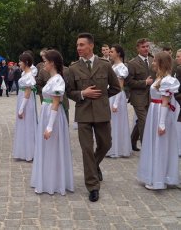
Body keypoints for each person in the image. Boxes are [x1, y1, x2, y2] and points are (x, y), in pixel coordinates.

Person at [67, 33, 120, 202]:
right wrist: (83, 93)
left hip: (102, 112)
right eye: (77, 45)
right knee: (87, 149)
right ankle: (92, 185)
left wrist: (102, 97)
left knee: (106, 144)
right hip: (83, 113)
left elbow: (116, 87)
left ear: (91, 46)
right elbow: (69, 92)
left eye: (81, 45)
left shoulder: (104, 65)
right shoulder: (73, 68)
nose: (78, 48)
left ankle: (94, 165)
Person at [31, 49, 74, 195]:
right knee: (47, 147)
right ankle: (47, 178)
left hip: (53, 115)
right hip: (47, 112)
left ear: (52, 63)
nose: (43, 64)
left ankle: (54, 181)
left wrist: (49, 126)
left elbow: (56, 103)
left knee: (53, 147)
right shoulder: (51, 78)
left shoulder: (58, 80)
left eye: (45, 62)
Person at [137, 52, 180, 190]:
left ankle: (159, 179)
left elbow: (165, 102)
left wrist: (161, 123)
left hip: (161, 113)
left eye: (155, 61)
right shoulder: (159, 78)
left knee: (160, 144)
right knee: (156, 144)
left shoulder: (168, 80)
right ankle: (159, 175)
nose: (153, 63)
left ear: (161, 63)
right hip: (154, 112)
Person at [126, 38, 156, 151]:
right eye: (143, 47)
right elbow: (129, 82)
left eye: (147, 46)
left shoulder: (153, 60)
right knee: (144, 121)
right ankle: (147, 149)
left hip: (151, 96)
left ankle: (132, 141)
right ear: (138, 48)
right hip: (138, 97)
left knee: (141, 120)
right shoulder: (132, 63)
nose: (146, 49)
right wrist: (144, 82)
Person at [106, 45, 132, 158]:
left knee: (116, 121)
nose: (110, 53)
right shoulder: (112, 65)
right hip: (110, 95)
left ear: (119, 53)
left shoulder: (122, 67)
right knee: (110, 122)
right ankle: (110, 147)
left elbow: (120, 86)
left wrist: (116, 103)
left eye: (112, 51)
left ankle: (118, 148)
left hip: (116, 96)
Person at [12, 52, 37, 161]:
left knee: (28, 126)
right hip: (22, 100)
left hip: (26, 102)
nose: (19, 63)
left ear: (26, 62)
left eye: (20, 61)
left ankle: (29, 153)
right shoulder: (24, 74)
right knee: (23, 126)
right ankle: (23, 151)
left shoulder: (29, 75)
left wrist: (21, 108)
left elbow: (27, 93)